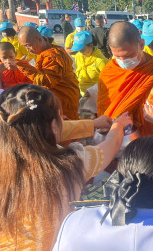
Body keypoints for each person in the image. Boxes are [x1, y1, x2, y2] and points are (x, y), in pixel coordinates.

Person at [0, 84, 132, 250]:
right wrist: (119, 125)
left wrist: (92, 124)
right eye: (61, 117)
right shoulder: (70, 164)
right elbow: (111, 145)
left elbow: (33, 129)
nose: (64, 121)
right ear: (54, 126)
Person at [97, 21, 153, 139]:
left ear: (142, 45)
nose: (123, 61)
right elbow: (104, 113)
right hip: (118, 145)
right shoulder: (108, 73)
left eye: (129, 55)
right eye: (117, 56)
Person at [18, 26, 80, 120]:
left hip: (64, 99)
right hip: (57, 98)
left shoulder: (52, 55)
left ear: (39, 40)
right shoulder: (46, 51)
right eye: (25, 46)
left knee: (67, 127)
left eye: (28, 45)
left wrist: (21, 66)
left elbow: (47, 81)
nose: (27, 49)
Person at [72, 31, 108, 96]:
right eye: (79, 50)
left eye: (83, 50)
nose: (81, 52)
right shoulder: (78, 56)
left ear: (91, 45)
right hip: (81, 92)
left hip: (96, 95)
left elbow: (108, 83)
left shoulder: (101, 61)